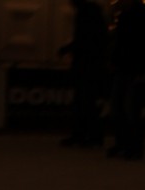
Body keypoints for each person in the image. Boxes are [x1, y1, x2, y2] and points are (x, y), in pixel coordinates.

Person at [58, 0, 109, 147]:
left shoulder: (85, 14)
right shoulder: (93, 13)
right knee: (87, 102)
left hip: (87, 66)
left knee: (85, 102)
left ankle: (86, 134)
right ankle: (88, 135)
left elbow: (83, 39)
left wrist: (67, 49)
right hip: (92, 65)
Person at [106, 0, 145, 160]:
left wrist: (115, 60)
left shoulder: (133, 16)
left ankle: (130, 146)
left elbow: (131, 43)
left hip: (130, 69)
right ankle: (129, 145)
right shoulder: (136, 15)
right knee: (125, 109)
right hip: (128, 68)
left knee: (127, 109)